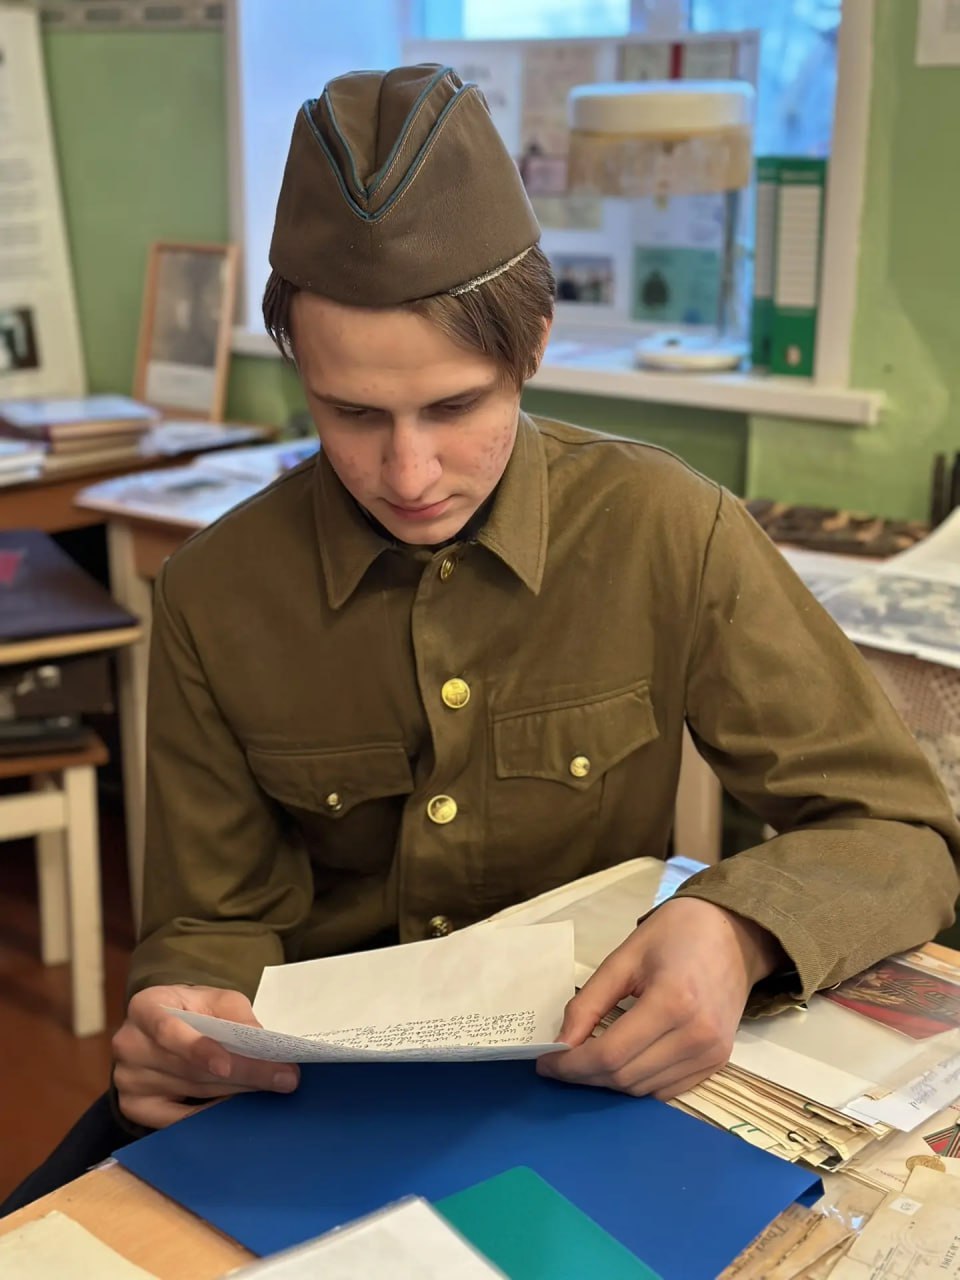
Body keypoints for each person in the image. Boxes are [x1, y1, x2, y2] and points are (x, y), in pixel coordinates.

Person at [4, 63, 959, 1211]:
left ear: (533, 345)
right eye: (352, 413)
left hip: (592, 1090)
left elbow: (901, 828)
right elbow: (210, 918)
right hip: (316, 1113)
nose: (409, 472)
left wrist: (737, 928)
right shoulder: (215, 591)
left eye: (456, 406)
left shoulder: (670, 530)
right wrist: (181, 1013)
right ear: (300, 367)